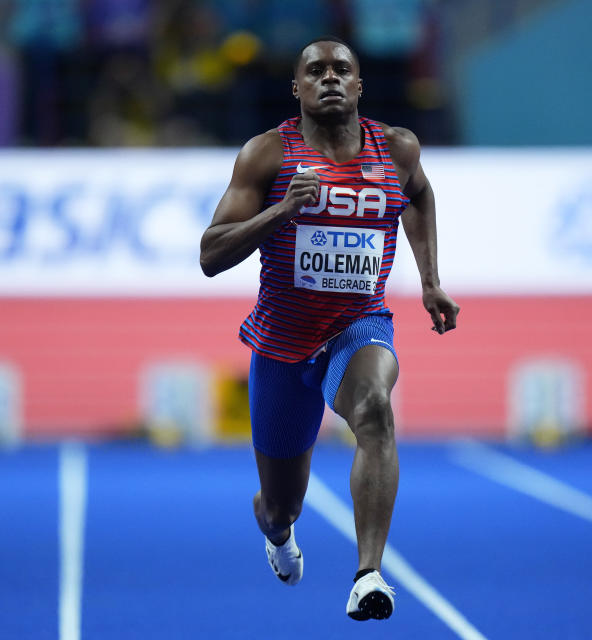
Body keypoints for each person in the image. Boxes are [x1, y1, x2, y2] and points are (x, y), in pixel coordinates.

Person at [199, 36, 459, 620]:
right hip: (283, 345)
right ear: (297, 88)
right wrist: (281, 212)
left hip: (358, 326)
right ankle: (276, 531)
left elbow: (417, 196)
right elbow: (210, 255)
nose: (330, 78)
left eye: (342, 69)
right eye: (315, 71)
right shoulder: (267, 156)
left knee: (374, 409)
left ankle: (369, 575)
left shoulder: (398, 149)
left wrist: (430, 279)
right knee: (281, 502)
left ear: (360, 84)